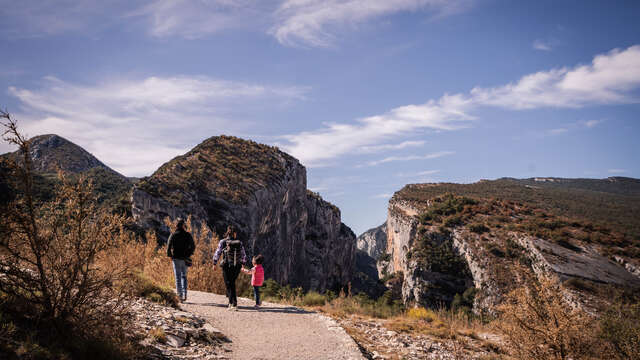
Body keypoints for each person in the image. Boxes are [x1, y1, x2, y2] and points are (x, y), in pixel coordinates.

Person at [213, 226, 247, 311]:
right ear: (234, 233)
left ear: (227, 233)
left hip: (226, 265)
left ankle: (233, 303)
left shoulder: (222, 242)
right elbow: (243, 255)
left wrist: (214, 263)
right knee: (232, 283)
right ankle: (232, 302)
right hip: (237, 266)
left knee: (229, 284)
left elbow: (218, 252)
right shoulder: (239, 242)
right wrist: (243, 263)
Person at [167, 218, 195, 302]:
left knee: (178, 277)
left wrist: (170, 255)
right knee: (184, 276)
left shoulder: (173, 234)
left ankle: (179, 296)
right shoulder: (188, 235)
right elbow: (193, 246)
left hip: (176, 258)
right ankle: (185, 294)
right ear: (183, 225)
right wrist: (189, 254)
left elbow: (168, 246)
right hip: (185, 258)